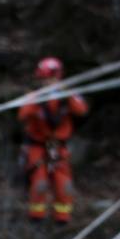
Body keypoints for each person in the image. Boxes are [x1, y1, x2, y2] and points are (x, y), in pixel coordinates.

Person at [19, 56, 89, 223]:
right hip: (38, 146)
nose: (49, 82)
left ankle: (62, 216)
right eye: (45, 79)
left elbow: (81, 110)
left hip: (59, 147)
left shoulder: (68, 96)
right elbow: (22, 114)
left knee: (63, 183)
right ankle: (36, 215)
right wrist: (37, 99)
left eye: (52, 78)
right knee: (40, 182)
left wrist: (66, 95)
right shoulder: (34, 97)